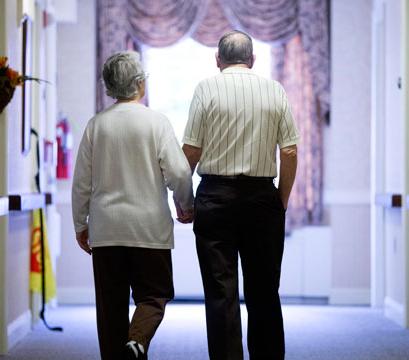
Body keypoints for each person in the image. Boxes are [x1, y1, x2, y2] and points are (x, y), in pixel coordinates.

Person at [180, 30, 300, 360]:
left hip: (215, 197)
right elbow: (289, 151)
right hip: (263, 199)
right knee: (264, 292)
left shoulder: (206, 88)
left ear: (217, 60)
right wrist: (282, 200)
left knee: (221, 295)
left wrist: (183, 198)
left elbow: (191, 151)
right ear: (253, 60)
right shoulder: (274, 90)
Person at [71, 51, 194, 360]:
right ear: (140, 84)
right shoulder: (157, 122)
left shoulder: (96, 125)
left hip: (106, 229)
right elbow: (179, 172)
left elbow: (81, 183)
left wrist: (80, 225)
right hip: (148, 229)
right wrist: (185, 204)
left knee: (110, 309)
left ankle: (123, 352)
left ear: (109, 87)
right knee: (155, 295)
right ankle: (137, 342)